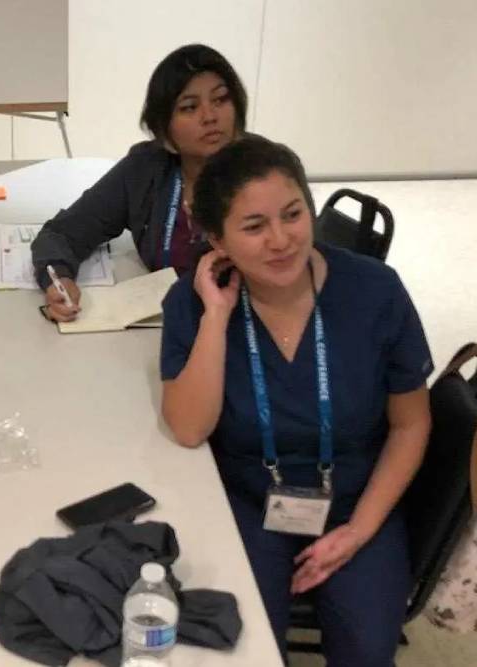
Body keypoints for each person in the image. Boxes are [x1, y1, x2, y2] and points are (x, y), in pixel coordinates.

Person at [160, 136, 433, 664]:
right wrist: (216, 316)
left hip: (358, 499)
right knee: (238, 648)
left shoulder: (375, 291)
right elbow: (190, 429)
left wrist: (358, 531)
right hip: (246, 502)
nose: (282, 240)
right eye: (254, 226)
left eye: (293, 214)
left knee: (367, 652)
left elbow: (411, 425)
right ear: (217, 238)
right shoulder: (191, 303)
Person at [32, 43, 249, 322]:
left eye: (220, 100)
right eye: (190, 107)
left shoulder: (268, 172)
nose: (210, 117)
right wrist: (58, 280)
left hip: (243, 332)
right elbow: (62, 234)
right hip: (159, 328)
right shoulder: (146, 169)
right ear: (163, 126)